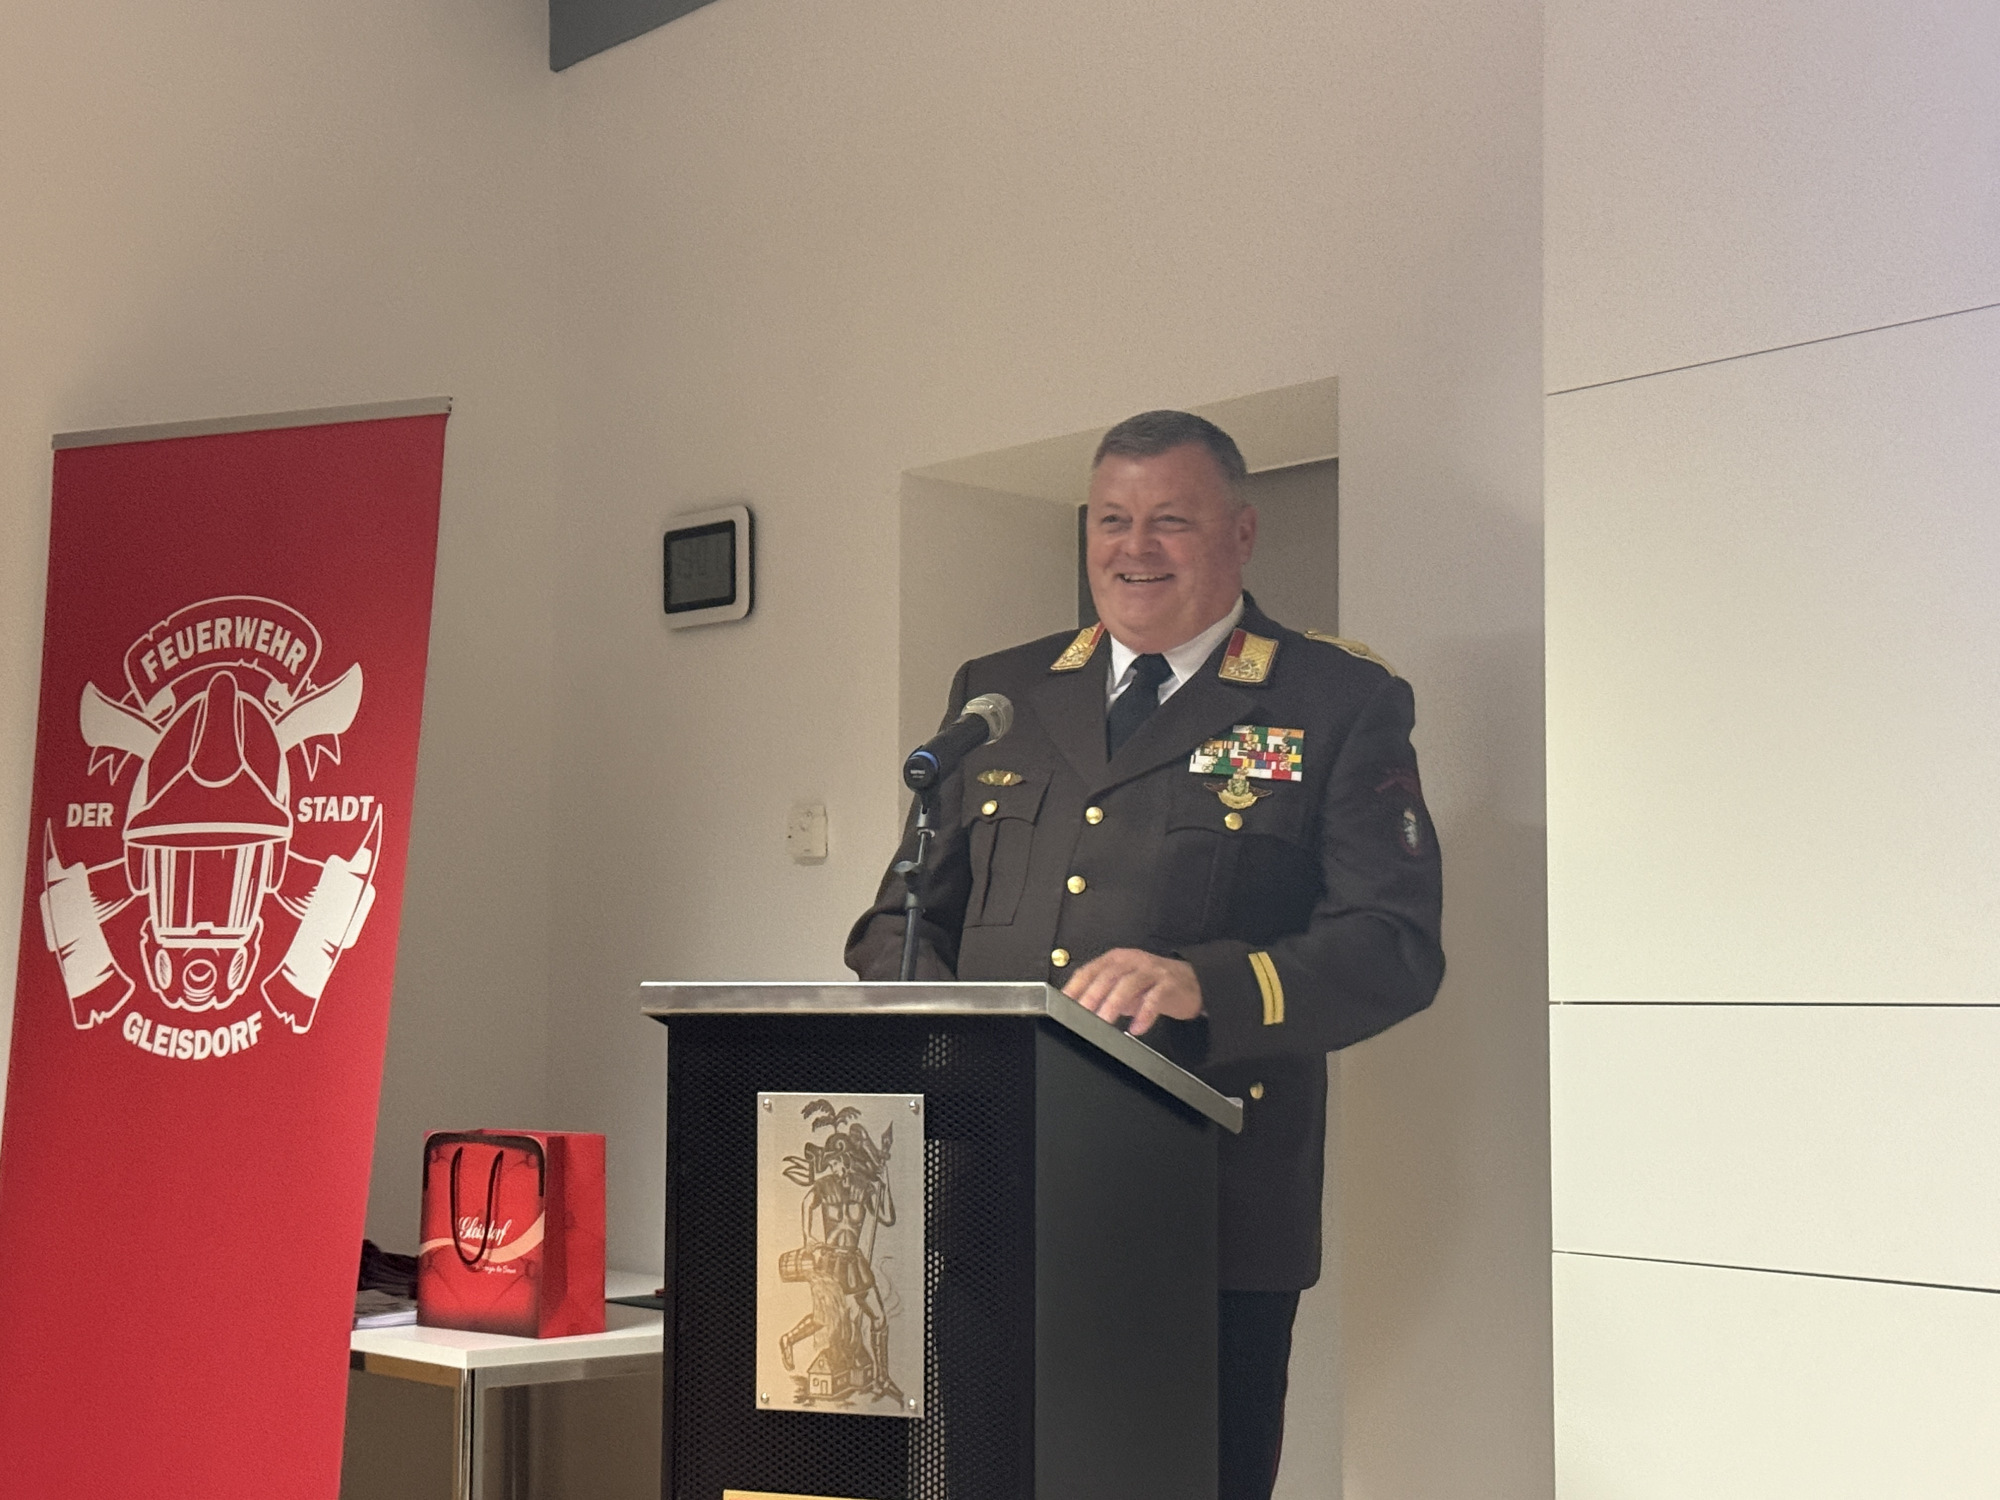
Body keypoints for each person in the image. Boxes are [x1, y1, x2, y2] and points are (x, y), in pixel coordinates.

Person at [845, 409, 1444, 1500]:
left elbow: (1392, 943)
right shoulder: (1002, 693)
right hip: (998, 1190)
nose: (1135, 549)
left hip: (1206, 1202)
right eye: (1112, 521)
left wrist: (1204, 983)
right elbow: (896, 923)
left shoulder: (1332, 700)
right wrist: (954, 1032)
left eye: (1171, 520)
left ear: (1242, 532)